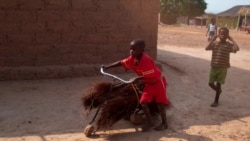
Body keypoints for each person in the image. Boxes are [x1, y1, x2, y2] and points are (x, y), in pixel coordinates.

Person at [102, 39, 170, 131]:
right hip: (148, 84)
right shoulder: (133, 59)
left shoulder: (146, 60)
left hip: (157, 82)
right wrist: (108, 67)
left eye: (134, 49)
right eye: (130, 48)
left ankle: (164, 124)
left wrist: (136, 79)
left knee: (160, 103)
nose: (131, 51)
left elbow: (149, 75)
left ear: (142, 50)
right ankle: (150, 122)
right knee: (143, 102)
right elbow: (121, 62)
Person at [205, 27, 240, 107]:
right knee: (210, 83)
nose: (222, 35)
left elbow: (237, 48)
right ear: (218, 34)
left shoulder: (229, 45)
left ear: (228, 35)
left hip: (223, 68)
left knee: (218, 84)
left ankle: (216, 101)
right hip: (214, 66)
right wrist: (213, 39)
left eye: (225, 34)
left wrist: (232, 40)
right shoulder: (215, 43)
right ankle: (219, 91)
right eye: (220, 34)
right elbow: (206, 48)